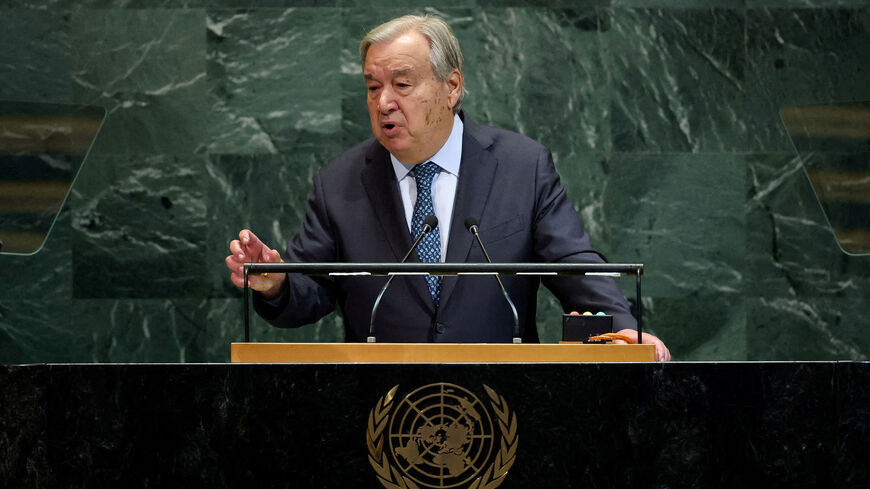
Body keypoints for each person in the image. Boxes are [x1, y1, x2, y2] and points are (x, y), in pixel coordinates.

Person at [225, 14, 671, 361]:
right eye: (373, 86)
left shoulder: (521, 167)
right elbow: (313, 289)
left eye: (402, 84)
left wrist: (623, 329)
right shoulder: (340, 182)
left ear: (451, 86)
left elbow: (574, 265)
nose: (384, 102)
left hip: (505, 402)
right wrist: (278, 283)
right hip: (382, 412)